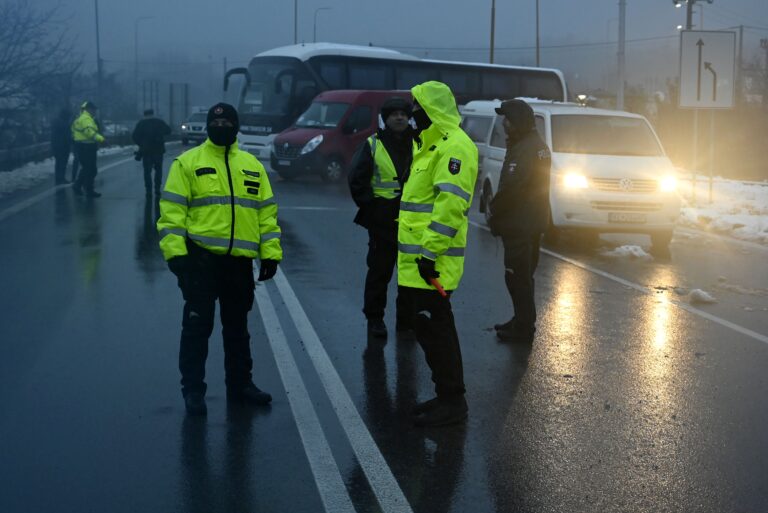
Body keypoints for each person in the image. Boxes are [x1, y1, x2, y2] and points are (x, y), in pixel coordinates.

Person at [157, 102, 282, 416]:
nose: (222, 125)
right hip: (200, 260)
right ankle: (194, 390)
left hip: (238, 264)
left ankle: (241, 385)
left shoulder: (252, 166)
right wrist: (177, 257)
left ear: (236, 126)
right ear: (209, 126)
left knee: (237, 328)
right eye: (218, 121)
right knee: (198, 328)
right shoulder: (187, 163)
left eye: (228, 121)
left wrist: (270, 255)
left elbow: (266, 215)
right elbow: (171, 215)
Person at [397, 81, 478, 427]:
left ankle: (452, 400)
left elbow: (450, 207)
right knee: (429, 332)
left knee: (437, 330)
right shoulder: (429, 147)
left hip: (432, 262)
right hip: (416, 262)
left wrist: (429, 254)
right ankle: (446, 394)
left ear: (431, 109)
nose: (412, 114)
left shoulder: (454, 147)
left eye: (417, 107)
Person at [348, 97, 415, 338]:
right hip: (383, 223)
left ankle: (406, 322)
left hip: (412, 221)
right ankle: (375, 319)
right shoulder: (372, 144)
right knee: (379, 272)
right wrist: (373, 209)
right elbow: (357, 180)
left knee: (410, 275)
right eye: (394, 114)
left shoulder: (419, 144)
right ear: (385, 119)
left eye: (404, 114)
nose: (400, 117)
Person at [487, 99, 551, 343]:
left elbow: (512, 188)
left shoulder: (525, 148)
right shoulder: (534, 144)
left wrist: (494, 211)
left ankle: (524, 327)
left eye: (508, 119)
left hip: (520, 223)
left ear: (519, 121)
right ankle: (522, 320)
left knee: (516, 276)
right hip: (531, 221)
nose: (504, 124)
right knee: (524, 275)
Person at [132, 109, 172, 196]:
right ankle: (157, 189)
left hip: (146, 151)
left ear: (144, 115)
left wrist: (141, 144)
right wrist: (160, 135)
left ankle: (148, 190)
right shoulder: (159, 122)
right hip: (158, 150)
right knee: (158, 171)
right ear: (153, 114)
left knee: (147, 172)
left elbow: (134, 136)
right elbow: (168, 130)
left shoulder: (141, 124)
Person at [71, 101, 105, 198]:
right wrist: (101, 139)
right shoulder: (86, 119)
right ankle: (85, 189)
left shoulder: (80, 118)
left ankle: (81, 186)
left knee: (87, 168)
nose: (95, 111)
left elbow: (73, 130)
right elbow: (89, 132)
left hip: (82, 146)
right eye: (94, 109)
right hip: (87, 147)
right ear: (89, 109)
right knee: (91, 169)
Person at [51, 107, 72, 185]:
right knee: (62, 163)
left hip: (57, 146)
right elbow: (67, 136)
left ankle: (58, 179)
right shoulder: (64, 123)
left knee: (59, 163)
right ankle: (61, 178)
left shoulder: (56, 122)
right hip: (63, 146)